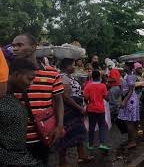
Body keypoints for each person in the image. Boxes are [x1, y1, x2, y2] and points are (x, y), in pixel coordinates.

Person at [12, 34, 65, 165]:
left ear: (34, 47)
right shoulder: (10, 73)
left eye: (19, 45)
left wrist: (59, 126)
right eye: (13, 46)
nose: (14, 49)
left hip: (42, 136)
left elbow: (58, 101)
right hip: (14, 138)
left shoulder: (52, 73)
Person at [0, 58, 44, 166]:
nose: (31, 83)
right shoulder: (4, 100)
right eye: (29, 79)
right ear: (16, 74)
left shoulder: (12, 96)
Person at [58, 58, 93, 166]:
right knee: (66, 134)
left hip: (75, 108)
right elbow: (66, 97)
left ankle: (81, 156)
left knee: (79, 132)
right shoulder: (63, 77)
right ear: (67, 66)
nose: (74, 67)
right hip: (69, 110)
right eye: (73, 65)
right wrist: (79, 108)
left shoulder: (70, 77)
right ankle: (62, 161)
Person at [83, 70, 109, 150]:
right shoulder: (103, 86)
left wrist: (87, 103)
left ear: (92, 77)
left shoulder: (88, 86)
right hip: (100, 109)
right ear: (99, 77)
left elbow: (85, 98)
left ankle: (90, 145)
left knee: (91, 126)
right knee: (102, 126)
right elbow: (105, 97)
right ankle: (102, 144)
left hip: (91, 109)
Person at [118, 62, 140, 149]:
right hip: (129, 99)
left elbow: (130, 91)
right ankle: (130, 140)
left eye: (125, 65)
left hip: (130, 100)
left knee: (129, 122)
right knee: (128, 121)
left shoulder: (130, 76)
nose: (123, 67)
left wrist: (124, 101)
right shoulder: (128, 75)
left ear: (129, 67)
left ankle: (132, 142)